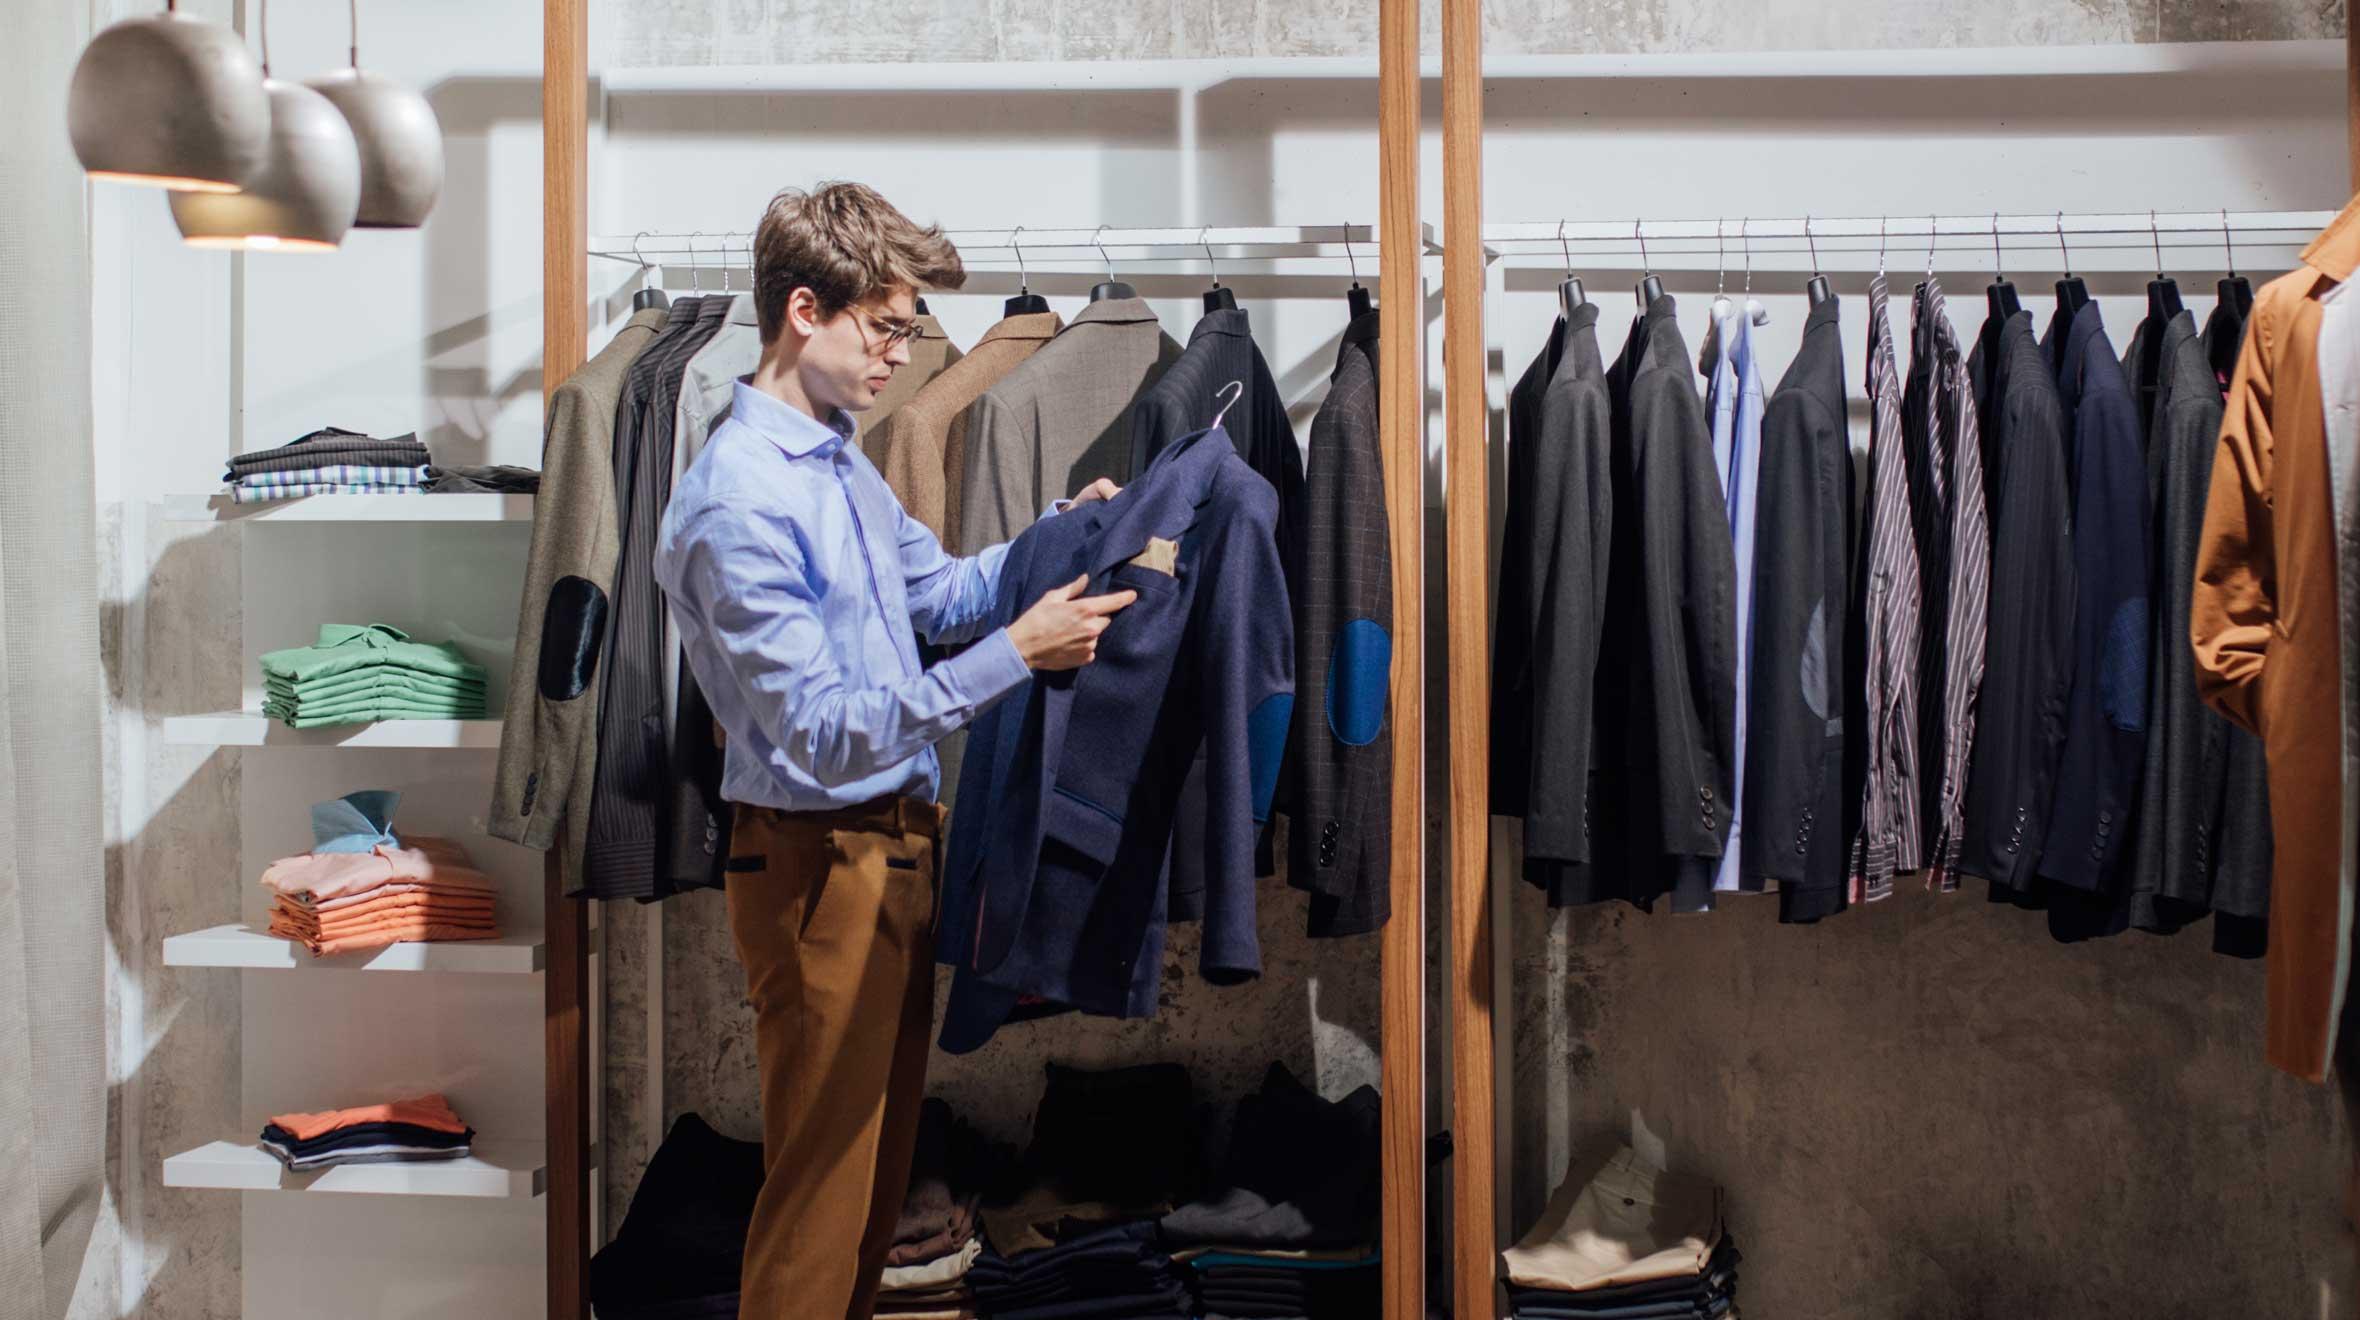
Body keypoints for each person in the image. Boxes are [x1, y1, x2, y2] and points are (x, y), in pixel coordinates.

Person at [653, 181, 1134, 1320]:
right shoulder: (737, 503)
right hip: (818, 862)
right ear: (802, 310)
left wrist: (1063, 529)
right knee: (820, 1194)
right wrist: (1018, 653)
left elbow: (940, 591)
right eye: (885, 327)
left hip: (888, 849)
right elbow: (820, 734)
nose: (899, 354)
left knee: (871, 1188)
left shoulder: (835, 462)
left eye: (907, 329)